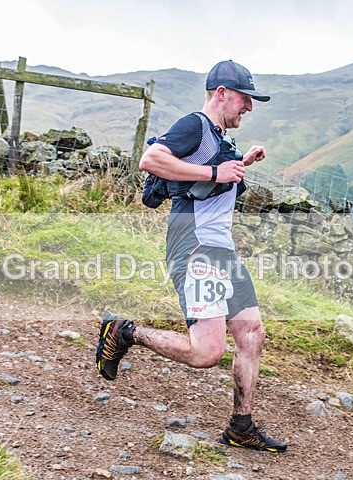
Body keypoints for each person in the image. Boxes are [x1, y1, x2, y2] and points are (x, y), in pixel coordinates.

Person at [95, 60, 286, 453]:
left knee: (251, 333)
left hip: (221, 248)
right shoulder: (195, 125)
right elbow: (151, 160)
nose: (249, 107)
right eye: (245, 98)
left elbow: (208, 176)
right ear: (222, 93)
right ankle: (125, 332)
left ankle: (241, 426)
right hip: (196, 246)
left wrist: (241, 164)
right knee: (207, 352)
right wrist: (216, 174)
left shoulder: (218, 136)